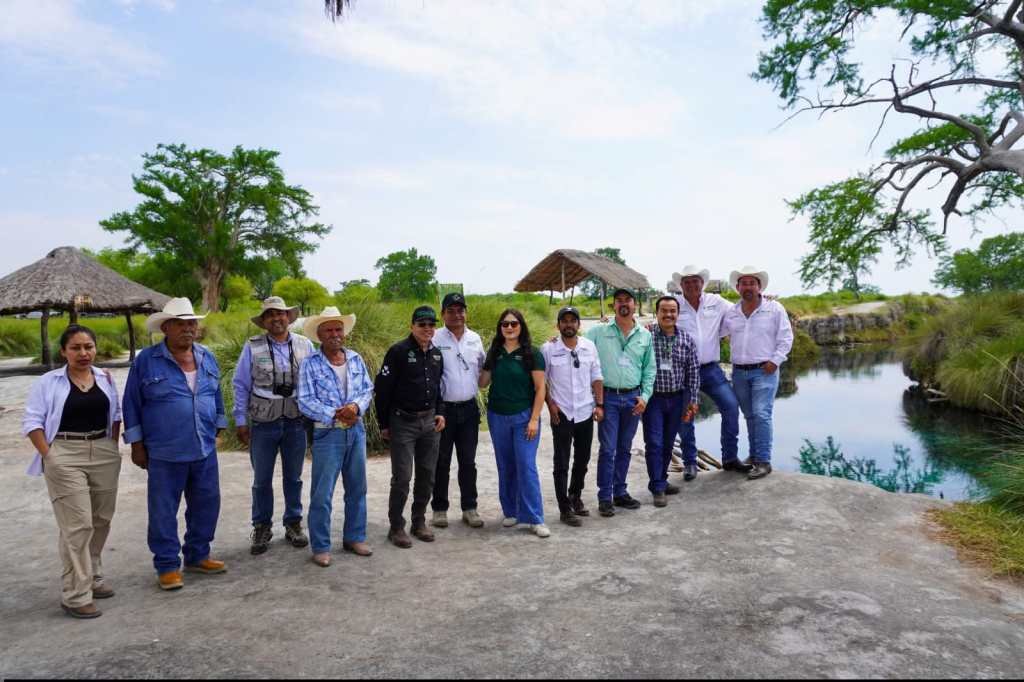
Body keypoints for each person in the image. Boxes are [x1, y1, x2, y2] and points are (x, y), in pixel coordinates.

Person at [122, 297, 228, 591]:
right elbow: (131, 402)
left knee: (207, 504)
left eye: (192, 322)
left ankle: (198, 555)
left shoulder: (207, 356)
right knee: (163, 510)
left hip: (203, 447)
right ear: (166, 327)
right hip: (165, 451)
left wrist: (219, 427)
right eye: (181, 323)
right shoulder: (147, 360)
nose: (188, 328)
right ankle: (167, 565)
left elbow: (216, 394)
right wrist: (136, 444)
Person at [23, 325, 122, 619]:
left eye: (88, 347)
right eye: (76, 348)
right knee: (78, 524)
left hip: (102, 450)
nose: (83, 353)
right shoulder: (48, 382)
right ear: (64, 351)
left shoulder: (104, 377)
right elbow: (32, 421)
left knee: (101, 518)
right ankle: (76, 594)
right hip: (65, 452)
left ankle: (93, 575)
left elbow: (115, 415)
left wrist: (112, 446)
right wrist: (49, 455)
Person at [232, 296, 315, 555]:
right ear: (264, 321)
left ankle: (293, 523)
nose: (276, 318)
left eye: (280, 313)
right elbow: (241, 384)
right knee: (261, 479)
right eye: (270, 315)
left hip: (295, 422)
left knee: (294, 477)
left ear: (289, 317)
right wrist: (241, 420)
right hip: (263, 423)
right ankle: (261, 526)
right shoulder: (253, 347)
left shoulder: (305, 345)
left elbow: (314, 382)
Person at [297, 307, 374, 566]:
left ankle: (355, 537)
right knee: (322, 493)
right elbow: (305, 400)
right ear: (319, 335)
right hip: (327, 434)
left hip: (356, 431)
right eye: (328, 330)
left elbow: (367, 389)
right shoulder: (310, 364)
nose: (334, 334)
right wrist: (335, 413)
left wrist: (355, 408)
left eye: (338, 329)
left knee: (357, 488)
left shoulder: (355, 359)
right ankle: (320, 546)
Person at [374, 306, 446, 548]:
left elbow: (439, 390)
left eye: (431, 324)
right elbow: (382, 390)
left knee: (427, 475)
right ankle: (396, 527)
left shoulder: (436, 354)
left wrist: (440, 413)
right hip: (402, 422)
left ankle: (419, 521)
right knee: (402, 477)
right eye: (422, 324)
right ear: (412, 326)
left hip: (429, 422)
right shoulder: (398, 351)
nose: (427, 329)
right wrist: (384, 424)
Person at [672, 265, 750, 478]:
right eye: (687, 281)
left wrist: (765, 302)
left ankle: (730, 458)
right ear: (681, 285)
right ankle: (689, 462)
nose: (692, 284)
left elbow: (737, 312)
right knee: (686, 416)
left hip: (711, 369)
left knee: (731, 406)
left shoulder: (716, 302)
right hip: (684, 371)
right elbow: (660, 324)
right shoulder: (675, 305)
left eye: (695, 280)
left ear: (702, 283)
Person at [478, 308, 549, 537]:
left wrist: (534, 419)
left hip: (524, 417)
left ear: (521, 327)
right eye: (505, 324)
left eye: (514, 324)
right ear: (500, 328)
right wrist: (477, 360)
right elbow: (482, 383)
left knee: (526, 466)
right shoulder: (495, 352)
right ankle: (511, 511)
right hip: (497, 417)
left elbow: (540, 389)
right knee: (505, 464)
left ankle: (535, 518)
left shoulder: (532, 353)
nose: (509, 328)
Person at [585, 288, 655, 517]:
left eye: (628, 300)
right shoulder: (598, 331)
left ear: (635, 305)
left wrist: (645, 397)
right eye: (619, 301)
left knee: (625, 448)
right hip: (609, 398)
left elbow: (649, 369)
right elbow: (577, 346)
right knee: (608, 449)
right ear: (613, 305)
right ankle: (605, 497)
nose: (623, 304)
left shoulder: (644, 335)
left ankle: (620, 492)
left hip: (633, 399)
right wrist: (555, 341)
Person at [722, 266, 794, 480]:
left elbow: (786, 338)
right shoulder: (732, 313)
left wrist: (775, 360)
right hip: (739, 372)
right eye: (743, 283)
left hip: (765, 370)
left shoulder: (774, 309)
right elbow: (714, 333)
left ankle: (763, 461)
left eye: (752, 283)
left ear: (759, 286)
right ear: (738, 287)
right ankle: (754, 455)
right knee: (750, 416)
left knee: (762, 414)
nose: (748, 287)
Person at [541, 306, 603, 527]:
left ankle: (575, 496)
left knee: (583, 460)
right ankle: (564, 508)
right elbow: (542, 382)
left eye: (572, 321)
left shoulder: (589, 347)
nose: (568, 324)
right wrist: (551, 405)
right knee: (561, 462)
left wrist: (600, 404)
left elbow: (596, 376)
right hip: (562, 413)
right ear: (558, 325)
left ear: (579, 324)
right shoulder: (548, 349)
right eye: (564, 321)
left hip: (586, 410)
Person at [430, 292, 486, 529]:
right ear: (443, 314)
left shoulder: (475, 339)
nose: (456, 315)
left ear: (466, 312)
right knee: (441, 462)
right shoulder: (434, 338)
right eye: (451, 311)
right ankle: (439, 509)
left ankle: (469, 507)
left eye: (460, 310)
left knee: (468, 462)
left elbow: (484, 373)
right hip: (443, 411)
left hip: (469, 409)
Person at [642, 297, 699, 507]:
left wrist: (692, 400)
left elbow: (693, 372)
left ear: (678, 313)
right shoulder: (646, 335)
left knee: (667, 443)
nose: (668, 315)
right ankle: (657, 487)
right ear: (656, 313)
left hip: (677, 399)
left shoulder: (686, 339)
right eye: (664, 311)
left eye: (672, 311)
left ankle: (662, 481)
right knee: (654, 443)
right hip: (653, 400)